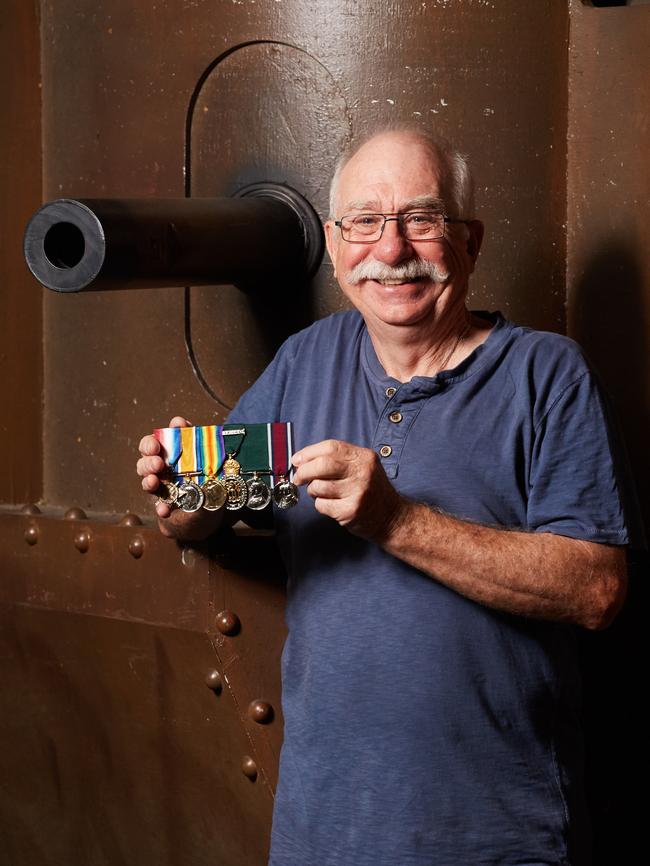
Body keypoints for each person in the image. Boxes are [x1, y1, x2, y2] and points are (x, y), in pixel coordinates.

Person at [137, 129, 634, 866]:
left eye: (422, 219)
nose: (392, 248)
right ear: (337, 246)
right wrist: (181, 490)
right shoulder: (306, 359)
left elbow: (597, 588)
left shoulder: (547, 374)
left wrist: (394, 520)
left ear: (470, 240)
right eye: (364, 222)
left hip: (496, 839)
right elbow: (203, 514)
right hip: (323, 833)